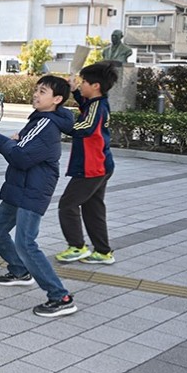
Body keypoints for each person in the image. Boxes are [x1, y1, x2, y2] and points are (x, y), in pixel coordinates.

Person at [0, 74, 77, 318]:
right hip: (20, 187)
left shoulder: (46, 124)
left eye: (42, 91)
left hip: (33, 191)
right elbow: (25, 148)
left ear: (56, 99)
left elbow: (21, 157)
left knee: (26, 242)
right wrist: (18, 139)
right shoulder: (40, 120)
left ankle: (60, 296)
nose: (36, 94)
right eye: (37, 89)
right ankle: (20, 271)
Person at [55, 60, 118, 265]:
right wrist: (74, 92)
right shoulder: (96, 103)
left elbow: (84, 127)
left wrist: (57, 120)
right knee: (93, 208)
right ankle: (103, 251)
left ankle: (77, 247)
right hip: (101, 165)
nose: (81, 85)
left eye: (83, 82)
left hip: (92, 167)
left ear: (95, 86)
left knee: (67, 204)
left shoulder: (97, 107)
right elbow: (85, 105)